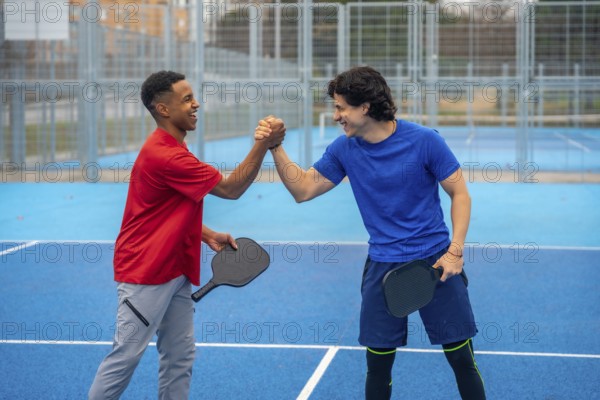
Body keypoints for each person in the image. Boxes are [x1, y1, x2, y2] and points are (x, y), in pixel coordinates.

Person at [256, 66, 485, 400]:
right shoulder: (344, 149)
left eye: (340, 108)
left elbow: (460, 194)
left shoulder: (425, 141)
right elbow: (303, 189)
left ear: (364, 107)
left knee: (461, 359)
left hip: (437, 264)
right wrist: (275, 147)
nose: (336, 116)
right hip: (382, 267)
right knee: (377, 366)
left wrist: (456, 251)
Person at [88, 70, 285, 399]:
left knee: (179, 357)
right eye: (187, 99)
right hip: (146, 272)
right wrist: (264, 143)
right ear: (163, 110)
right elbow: (232, 188)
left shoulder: (172, 146)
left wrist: (205, 233)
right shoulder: (168, 155)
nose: (197, 104)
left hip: (176, 268)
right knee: (126, 356)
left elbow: (163, 209)